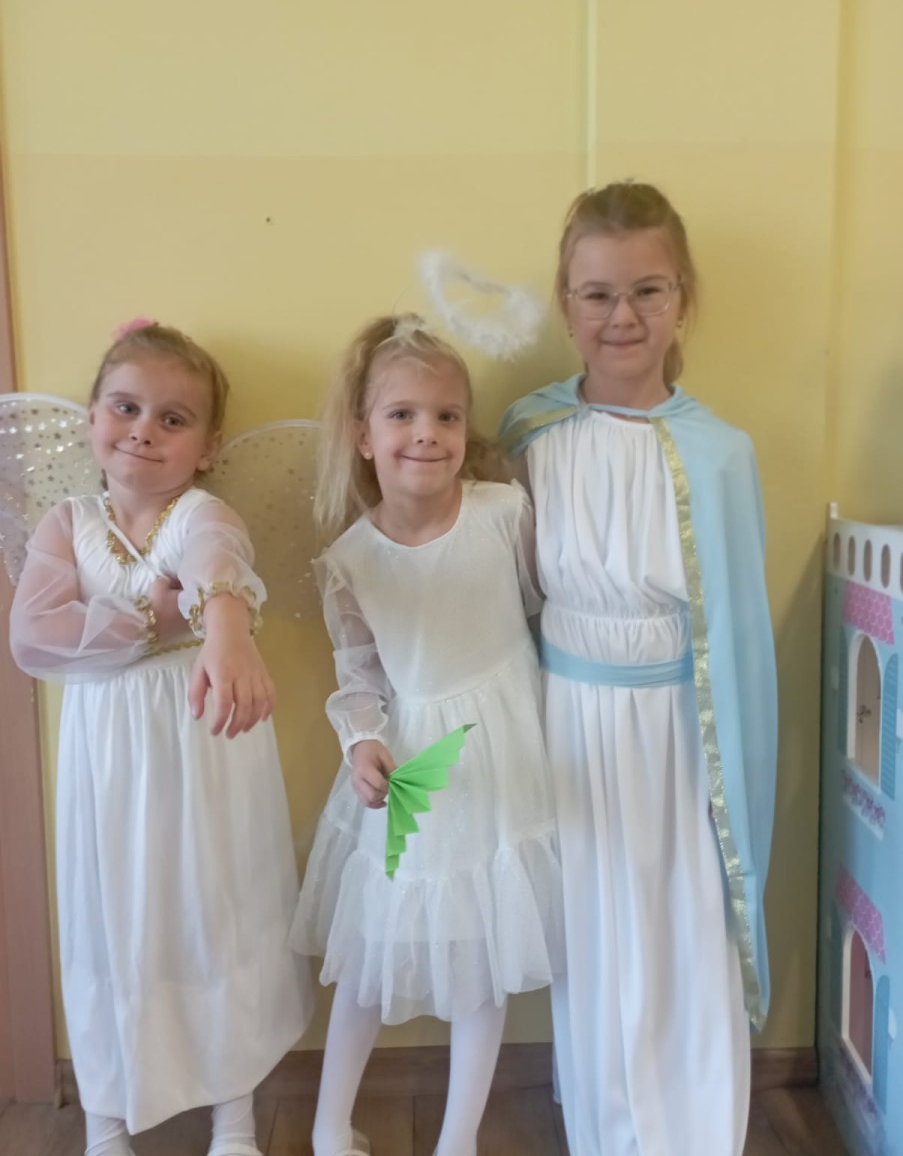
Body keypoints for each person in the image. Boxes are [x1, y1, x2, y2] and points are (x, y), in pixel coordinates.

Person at [499, 182, 778, 1156]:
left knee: (680, 917)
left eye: (647, 291)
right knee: (594, 925)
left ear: (682, 299)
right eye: (597, 294)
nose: (622, 316)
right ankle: (605, 1126)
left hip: (677, 729)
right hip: (564, 719)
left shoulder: (719, 453)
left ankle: (693, 1129)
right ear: (565, 305)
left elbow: (737, 632)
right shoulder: (527, 434)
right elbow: (499, 588)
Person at [9, 322, 312, 1156]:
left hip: (203, 744)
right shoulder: (67, 523)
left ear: (208, 447)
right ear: (91, 419)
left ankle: (233, 1117)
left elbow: (219, 563)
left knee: (219, 911)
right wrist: (162, 615)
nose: (144, 430)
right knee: (109, 919)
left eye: (173, 419)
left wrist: (225, 627)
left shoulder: (200, 514)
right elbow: (35, 636)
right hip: (108, 759)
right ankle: (106, 1118)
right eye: (125, 407)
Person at [291, 315, 562, 1156]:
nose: (427, 433)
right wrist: (359, 741)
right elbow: (358, 675)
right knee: (374, 943)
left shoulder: (503, 513)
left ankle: (458, 1138)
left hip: (506, 754)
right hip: (414, 761)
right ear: (362, 435)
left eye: (447, 415)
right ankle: (329, 1124)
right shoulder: (350, 559)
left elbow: (544, 612)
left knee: (485, 949)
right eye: (402, 415)